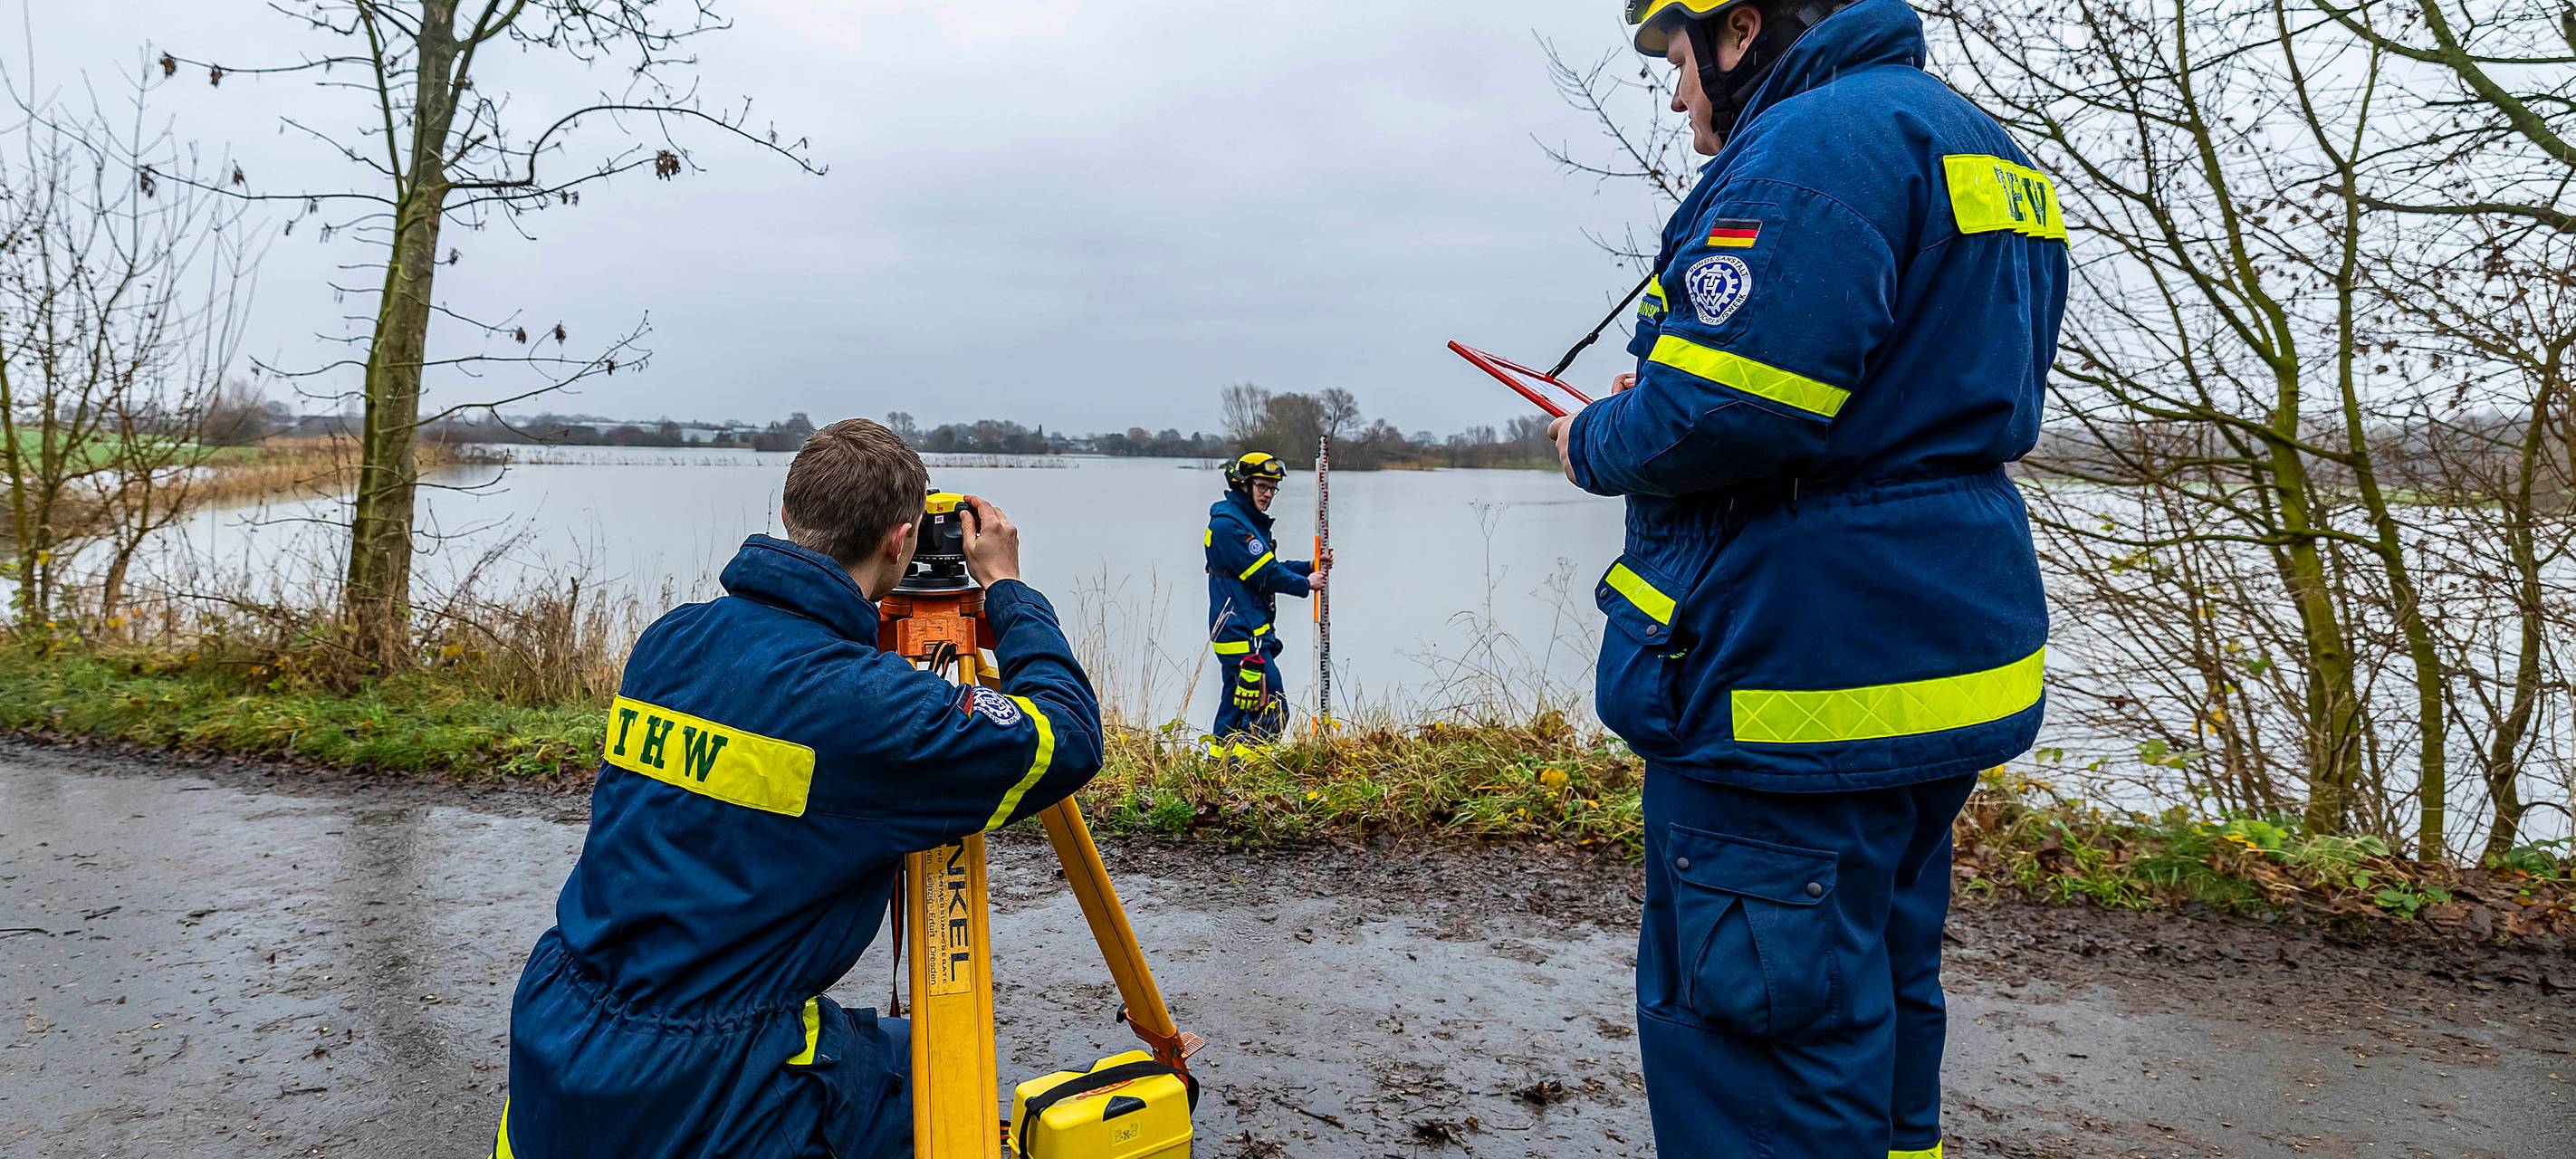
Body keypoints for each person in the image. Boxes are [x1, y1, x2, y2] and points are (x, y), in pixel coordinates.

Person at [1548, 1, 2067, 1155]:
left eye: (1676, 62)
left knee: (1760, 1041)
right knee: (1878, 990)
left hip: (1790, 684)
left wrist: (1593, 436)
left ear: (1739, 29)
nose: (1678, 96)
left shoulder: (1806, 148)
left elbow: (1726, 408)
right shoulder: (1983, 146)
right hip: (1935, 668)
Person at [493, 417, 1105, 1159]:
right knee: (925, 1075)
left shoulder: (670, 641)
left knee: (869, 1043)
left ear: (789, 517)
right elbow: (1065, 737)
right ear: (899, 541)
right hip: (700, 1085)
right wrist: (1007, 588)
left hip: (559, 1035)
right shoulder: (864, 706)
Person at [1202, 451, 1327, 755]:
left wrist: (1308, 566)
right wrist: (1305, 584)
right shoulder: (1229, 526)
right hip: (1242, 633)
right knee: (1272, 707)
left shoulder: (1242, 520)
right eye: (1262, 487)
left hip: (1245, 630)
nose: (1268, 494)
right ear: (1243, 485)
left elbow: (1266, 564)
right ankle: (1246, 769)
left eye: (1272, 488)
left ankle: (1218, 769)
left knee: (1237, 705)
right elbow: (1265, 574)